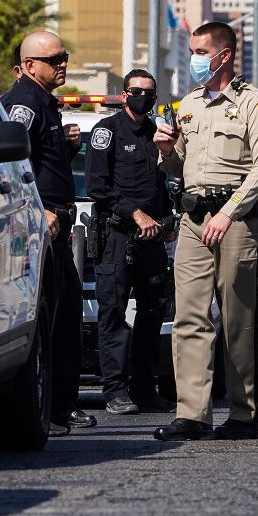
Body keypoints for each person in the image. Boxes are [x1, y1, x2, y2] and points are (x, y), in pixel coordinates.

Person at [152, 22, 258, 442]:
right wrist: (167, 152)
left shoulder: (252, 104)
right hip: (192, 218)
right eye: (192, 51)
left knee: (238, 319)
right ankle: (191, 413)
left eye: (201, 52)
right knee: (188, 316)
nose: (195, 60)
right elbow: (178, 167)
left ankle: (245, 415)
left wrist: (228, 212)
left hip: (237, 221)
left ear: (224, 56)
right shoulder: (187, 105)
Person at [1, 30, 94, 436]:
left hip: (56, 223)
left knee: (66, 313)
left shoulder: (44, 104)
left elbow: (40, 164)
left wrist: (67, 148)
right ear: (29, 65)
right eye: (54, 59)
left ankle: (59, 404)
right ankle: (52, 407)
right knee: (51, 319)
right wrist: (40, 211)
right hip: (41, 224)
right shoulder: (24, 103)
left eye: (65, 56)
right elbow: (11, 160)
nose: (63, 64)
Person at [85, 69, 176, 415]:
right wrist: (135, 214)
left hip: (152, 238)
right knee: (113, 314)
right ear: (124, 95)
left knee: (153, 313)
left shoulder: (157, 134)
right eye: (137, 91)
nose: (144, 97)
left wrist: (167, 223)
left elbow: (164, 185)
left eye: (149, 93)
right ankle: (116, 391)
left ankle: (144, 389)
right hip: (118, 235)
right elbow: (97, 187)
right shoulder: (106, 132)